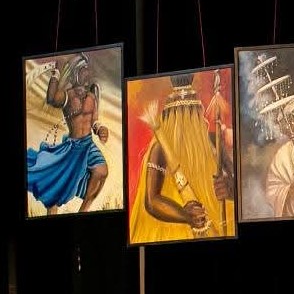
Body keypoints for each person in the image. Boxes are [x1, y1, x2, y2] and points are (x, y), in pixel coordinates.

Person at [129, 73, 236, 242]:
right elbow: (151, 201)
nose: (186, 120)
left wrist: (229, 186)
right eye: (179, 114)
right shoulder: (161, 147)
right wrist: (185, 215)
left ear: (199, 112)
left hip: (217, 228)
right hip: (174, 234)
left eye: (191, 113)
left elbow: (236, 183)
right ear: (169, 116)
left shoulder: (213, 141)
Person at [27, 54, 110, 213]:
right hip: (73, 147)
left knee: (102, 171)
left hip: (88, 144)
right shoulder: (68, 95)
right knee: (58, 185)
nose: (86, 74)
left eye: (87, 71)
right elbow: (51, 99)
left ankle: (83, 212)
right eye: (82, 70)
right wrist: (56, 73)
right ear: (75, 73)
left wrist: (100, 129)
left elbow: (95, 121)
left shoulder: (92, 97)